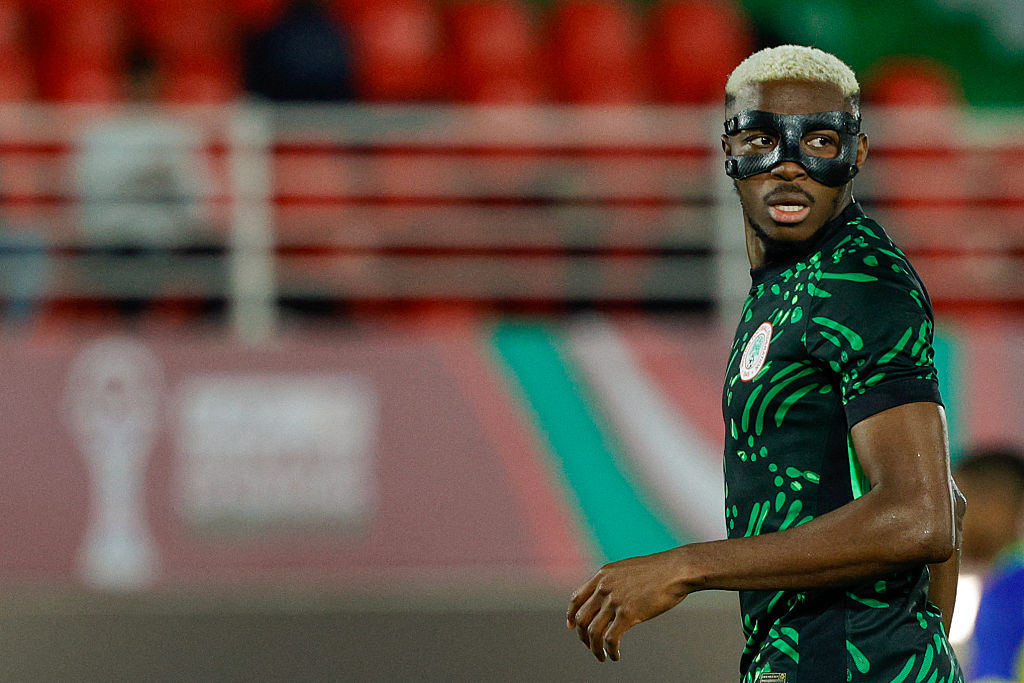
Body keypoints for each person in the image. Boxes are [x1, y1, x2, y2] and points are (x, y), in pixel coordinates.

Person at [566, 45, 966, 682]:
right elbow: (946, 498)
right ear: (728, 153)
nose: (788, 166)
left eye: (819, 142)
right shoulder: (789, 283)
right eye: (760, 140)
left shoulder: (858, 284)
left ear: (857, 154)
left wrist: (686, 566)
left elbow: (922, 517)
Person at [954, 447, 1024, 682]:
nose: (950, 521)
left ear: (994, 503)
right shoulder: (998, 579)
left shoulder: (1011, 587)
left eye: (958, 504)